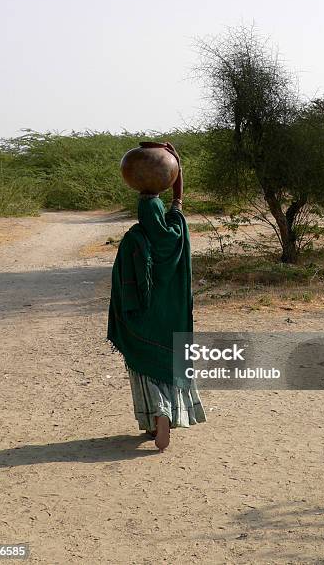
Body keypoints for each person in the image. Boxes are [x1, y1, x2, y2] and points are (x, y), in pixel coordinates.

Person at [107, 141, 206, 452]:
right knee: (166, 360)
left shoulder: (133, 240)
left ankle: (157, 415)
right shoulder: (176, 233)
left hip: (142, 319)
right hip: (170, 315)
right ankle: (168, 415)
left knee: (143, 363)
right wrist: (177, 173)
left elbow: (122, 285)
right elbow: (177, 205)